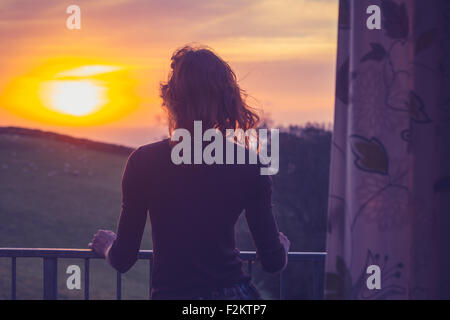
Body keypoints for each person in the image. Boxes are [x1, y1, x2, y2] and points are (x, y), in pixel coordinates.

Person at [89, 45, 290, 300]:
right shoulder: (249, 165)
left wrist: (107, 244)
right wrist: (282, 249)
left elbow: (123, 259)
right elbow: (273, 262)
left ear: (170, 100)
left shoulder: (143, 162)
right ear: (226, 99)